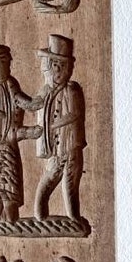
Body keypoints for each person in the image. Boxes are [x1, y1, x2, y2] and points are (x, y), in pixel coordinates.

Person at [0, 46, 41, 225]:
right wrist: (0, 114)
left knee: (10, 185)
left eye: (9, 60)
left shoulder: (10, 83)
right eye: (4, 60)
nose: (9, 63)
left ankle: (10, 221)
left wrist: (37, 103)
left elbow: (22, 101)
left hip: (8, 142)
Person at [34, 35, 86, 220]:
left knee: (71, 178)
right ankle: (40, 214)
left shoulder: (71, 90)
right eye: (54, 65)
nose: (57, 70)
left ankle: (73, 216)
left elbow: (74, 113)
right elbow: (37, 108)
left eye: (61, 66)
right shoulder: (46, 91)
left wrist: (53, 125)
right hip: (55, 148)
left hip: (70, 143)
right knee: (51, 176)